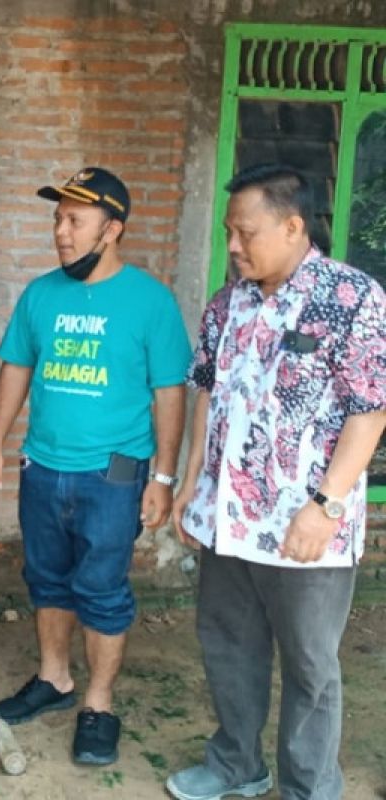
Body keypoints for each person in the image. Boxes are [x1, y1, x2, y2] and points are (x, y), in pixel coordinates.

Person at [166, 164, 386, 800]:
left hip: (305, 527)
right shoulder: (227, 303)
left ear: (293, 227)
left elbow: (370, 409)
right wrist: (191, 484)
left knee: (311, 665)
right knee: (229, 646)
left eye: (246, 231)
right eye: (230, 231)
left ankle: (308, 786)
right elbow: (206, 389)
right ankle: (237, 765)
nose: (233, 245)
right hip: (227, 518)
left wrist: (324, 505)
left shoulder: (353, 299)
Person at [0, 167, 192, 765]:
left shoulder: (151, 300)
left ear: (112, 229)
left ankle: (98, 702)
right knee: (46, 577)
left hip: (117, 469)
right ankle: (54, 679)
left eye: (75, 221)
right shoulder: (41, 294)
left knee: (100, 586)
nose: (61, 233)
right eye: (57, 220)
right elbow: (16, 367)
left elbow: (170, 391)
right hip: (43, 463)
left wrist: (164, 477)